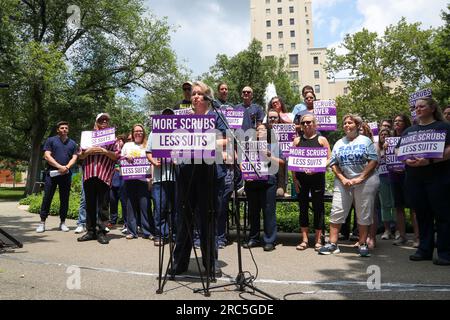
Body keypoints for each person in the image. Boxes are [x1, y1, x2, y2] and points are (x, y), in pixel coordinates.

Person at [171, 81, 227, 277]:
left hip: (210, 174)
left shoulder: (215, 117)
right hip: (186, 173)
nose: (195, 96)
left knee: (208, 220)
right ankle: (179, 263)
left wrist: (202, 141)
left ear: (207, 97)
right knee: (183, 219)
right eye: (193, 93)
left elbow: (226, 139)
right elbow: (172, 141)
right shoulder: (183, 119)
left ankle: (210, 264)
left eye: (199, 93)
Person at [398, 98, 450, 265]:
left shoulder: (444, 127)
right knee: (422, 214)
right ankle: (424, 249)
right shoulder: (409, 131)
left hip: (439, 178)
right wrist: (406, 160)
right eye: (416, 107)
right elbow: (399, 148)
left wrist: (431, 161)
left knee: (443, 215)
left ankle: (445, 253)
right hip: (415, 179)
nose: (418, 109)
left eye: (422, 106)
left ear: (432, 108)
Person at [319, 114, 379, 257]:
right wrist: (342, 178)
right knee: (337, 210)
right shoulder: (339, 143)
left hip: (366, 181)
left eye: (350, 123)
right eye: (344, 123)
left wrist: (360, 178)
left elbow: (373, 160)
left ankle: (362, 243)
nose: (346, 125)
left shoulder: (366, 141)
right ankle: (333, 244)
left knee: (363, 212)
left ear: (357, 125)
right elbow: (333, 163)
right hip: (343, 181)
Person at [77, 113, 120, 244]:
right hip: (89, 174)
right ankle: (90, 231)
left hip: (104, 175)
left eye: (106, 119)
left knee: (103, 206)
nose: (104, 121)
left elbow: (116, 156)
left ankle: (101, 232)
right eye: (101, 120)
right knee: (89, 205)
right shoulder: (87, 137)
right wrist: (88, 151)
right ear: (96, 122)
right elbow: (80, 156)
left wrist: (105, 151)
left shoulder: (112, 138)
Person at [242, 123, 285, 252]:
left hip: (268, 182)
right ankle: (253, 238)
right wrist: (245, 174)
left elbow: (282, 162)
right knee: (253, 212)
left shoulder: (274, 145)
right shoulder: (249, 146)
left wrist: (269, 155)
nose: (259, 131)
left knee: (268, 212)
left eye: (262, 129)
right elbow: (242, 161)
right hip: (252, 183)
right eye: (257, 130)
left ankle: (269, 240)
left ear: (268, 132)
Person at [292, 114, 331, 252]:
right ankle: (304, 240)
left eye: (309, 122)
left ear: (315, 124)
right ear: (301, 126)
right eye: (304, 122)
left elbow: (329, 159)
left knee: (318, 209)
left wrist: (317, 168)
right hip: (302, 180)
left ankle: (318, 240)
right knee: (302, 208)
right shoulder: (297, 141)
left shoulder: (322, 140)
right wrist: (295, 180)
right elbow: (293, 162)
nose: (307, 124)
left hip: (317, 179)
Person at [36, 121, 78, 233]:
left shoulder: (73, 143)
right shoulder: (51, 140)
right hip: (52, 174)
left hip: (66, 175)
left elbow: (74, 157)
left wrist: (67, 167)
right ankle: (42, 223)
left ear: (68, 130)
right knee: (47, 198)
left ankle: (62, 222)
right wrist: (60, 167)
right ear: (58, 130)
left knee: (65, 199)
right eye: (62, 128)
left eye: (66, 128)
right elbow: (47, 155)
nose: (64, 129)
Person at [147, 108, 177, 246]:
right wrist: (153, 161)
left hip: (176, 177)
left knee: (176, 208)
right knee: (160, 208)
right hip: (159, 178)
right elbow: (148, 152)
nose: (168, 118)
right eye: (165, 116)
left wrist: (179, 160)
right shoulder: (154, 133)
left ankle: (175, 234)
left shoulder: (179, 133)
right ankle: (160, 235)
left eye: (170, 116)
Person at [390, 114, 419, 246]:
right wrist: (385, 149)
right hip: (394, 176)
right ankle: (402, 236)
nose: (397, 123)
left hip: (409, 174)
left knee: (413, 207)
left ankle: (417, 237)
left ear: (405, 123)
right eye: (395, 121)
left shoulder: (411, 136)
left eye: (400, 121)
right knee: (398, 206)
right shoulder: (389, 139)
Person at [121, 124, 154, 240]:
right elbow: (120, 160)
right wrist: (126, 157)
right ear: (133, 133)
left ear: (144, 133)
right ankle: (132, 231)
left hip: (144, 180)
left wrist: (151, 179)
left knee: (145, 206)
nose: (138, 133)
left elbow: (151, 162)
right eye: (136, 131)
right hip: (130, 180)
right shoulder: (127, 145)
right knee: (130, 206)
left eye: (140, 131)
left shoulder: (147, 145)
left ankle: (148, 231)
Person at [377, 128, 396, 240]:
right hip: (382, 178)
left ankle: (397, 230)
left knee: (395, 204)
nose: (384, 136)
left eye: (386, 134)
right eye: (382, 134)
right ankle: (387, 230)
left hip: (394, 177)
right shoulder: (377, 149)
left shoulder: (395, 147)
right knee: (385, 205)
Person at [109, 135, 128, 229]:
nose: (118, 142)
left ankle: (126, 222)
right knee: (112, 200)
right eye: (117, 141)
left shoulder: (126, 153)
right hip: (112, 180)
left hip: (123, 181)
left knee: (124, 202)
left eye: (120, 141)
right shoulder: (112, 153)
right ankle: (112, 221)